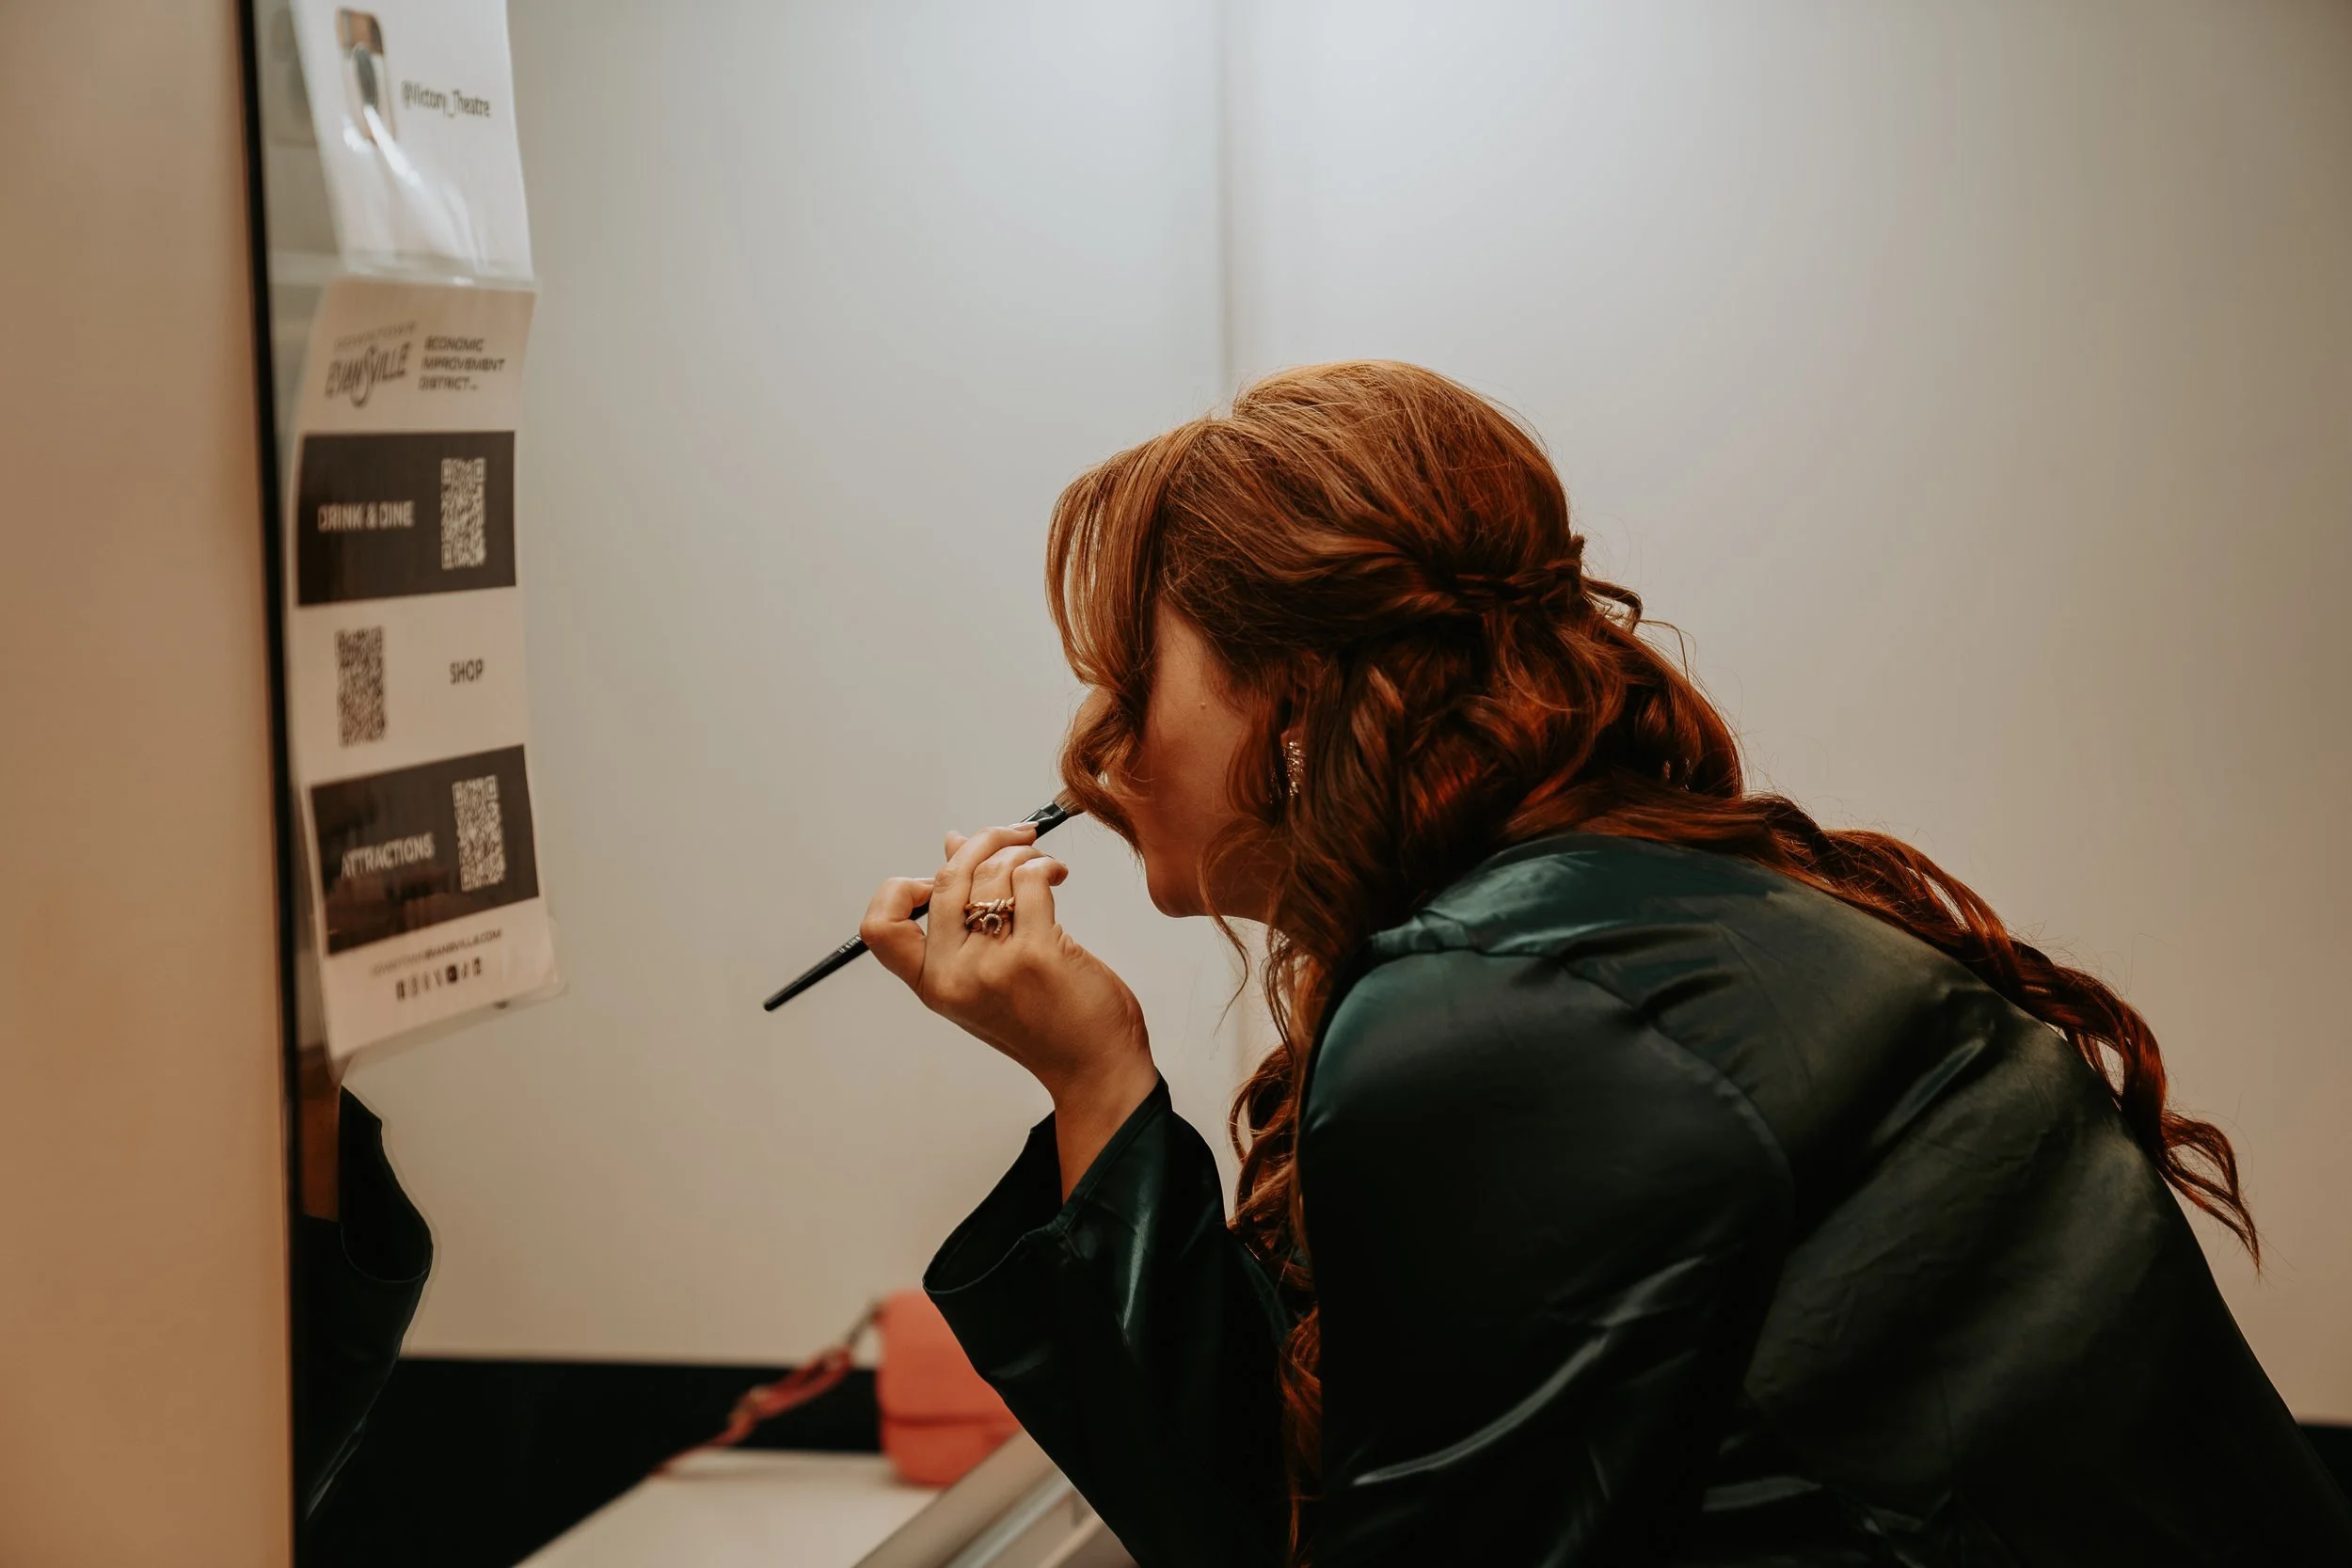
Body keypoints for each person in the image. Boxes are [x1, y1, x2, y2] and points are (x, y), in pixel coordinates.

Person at [859, 361, 2352, 1566]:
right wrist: (1096, 1075)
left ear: (1297, 692)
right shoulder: (1604, 921)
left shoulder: (1496, 1009)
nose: (1093, 748)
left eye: (1132, 675)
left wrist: (1095, 1087)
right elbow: (1320, 1488)